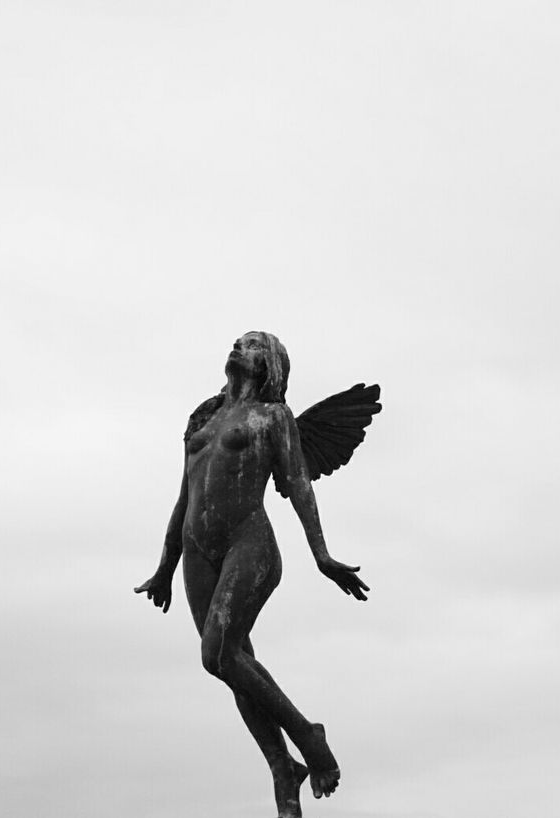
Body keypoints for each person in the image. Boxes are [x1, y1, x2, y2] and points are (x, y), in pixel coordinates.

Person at [135, 331, 373, 818]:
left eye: (249, 345)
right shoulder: (203, 417)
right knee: (232, 663)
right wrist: (165, 567)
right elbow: (186, 496)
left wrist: (321, 554)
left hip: (250, 545)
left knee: (215, 654)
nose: (237, 349)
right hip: (199, 551)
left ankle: (309, 736)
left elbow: (299, 484)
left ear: (268, 364)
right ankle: (284, 773)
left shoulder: (274, 417)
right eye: (236, 343)